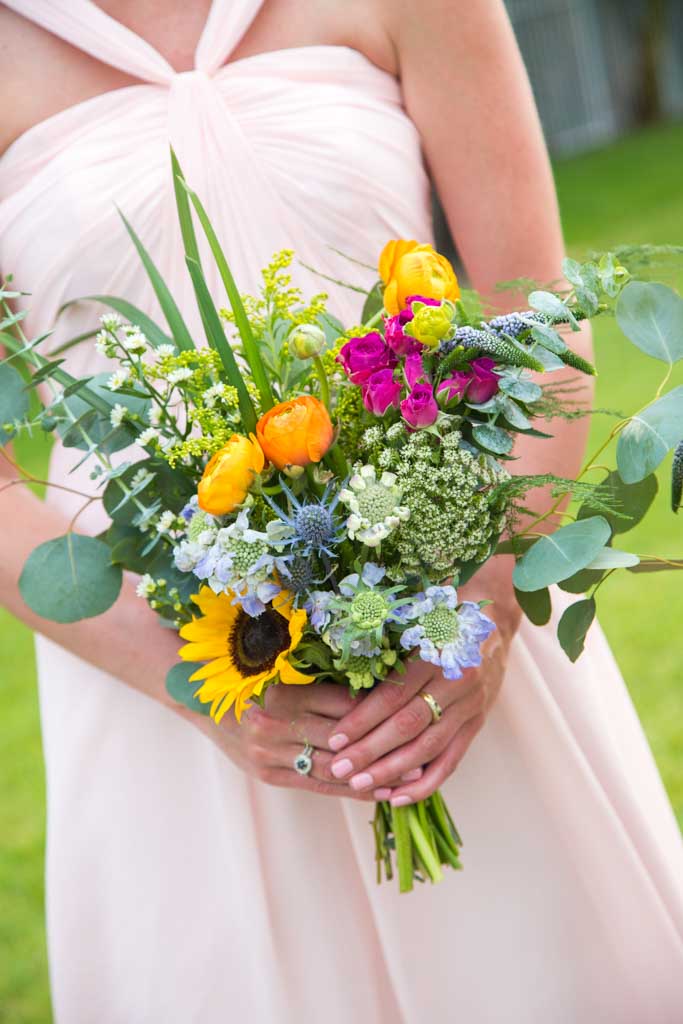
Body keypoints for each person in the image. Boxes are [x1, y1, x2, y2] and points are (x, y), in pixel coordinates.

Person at [1, 1, 682, 1021]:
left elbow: (533, 327)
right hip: (166, 692)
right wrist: (202, 683)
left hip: (448, 633)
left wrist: (483, 605)